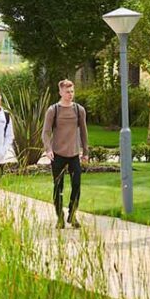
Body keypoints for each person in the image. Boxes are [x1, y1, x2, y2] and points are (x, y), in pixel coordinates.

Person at [42, 79, 89, 229]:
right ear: (60, 92)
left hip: (74, 154)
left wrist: (85, 152)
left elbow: (84, 131)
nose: (70, 94)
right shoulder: (53, 110)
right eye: (67, 92)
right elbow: (46, 132)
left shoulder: (78, 110)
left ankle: (72, 214)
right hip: (58, 155)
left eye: (72, 91)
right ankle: (60, 217)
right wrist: (48, 149)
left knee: (77, 185)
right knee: (58, 187)